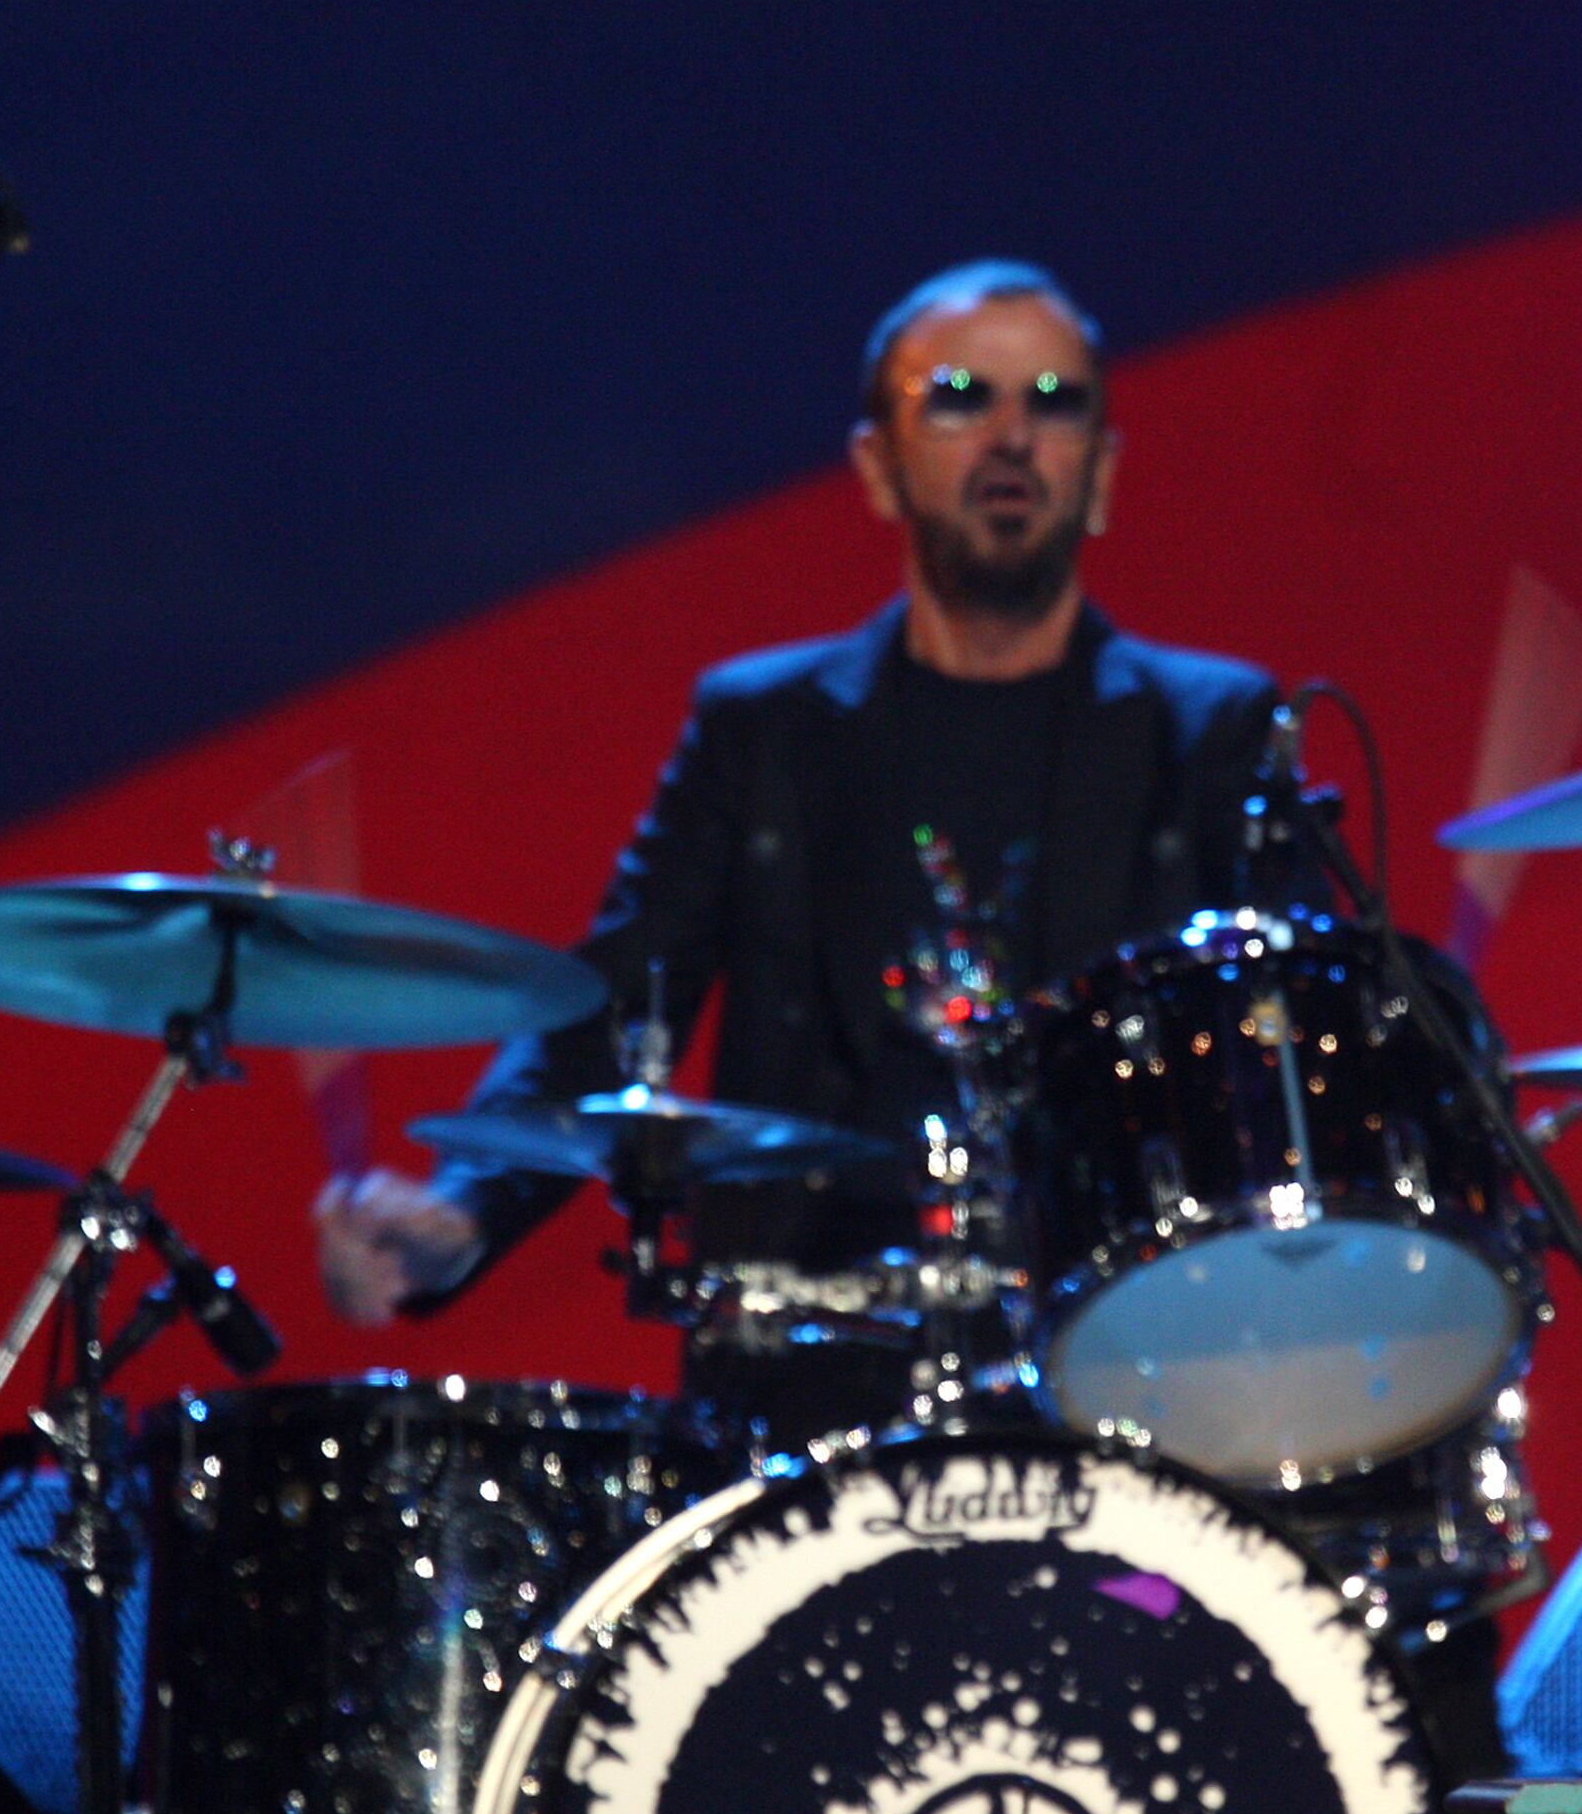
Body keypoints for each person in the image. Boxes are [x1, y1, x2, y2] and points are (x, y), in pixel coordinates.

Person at [314, 259, 1288, 1412]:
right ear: (877, 465)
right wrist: (464, 1206)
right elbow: (611, 1006)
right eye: (965, 396)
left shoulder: (1209, 731)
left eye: (1057, 402)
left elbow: (1286, 1042)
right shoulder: (763, 730)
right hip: (807, 1363)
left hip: (1115, 1353)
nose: (1014, 438)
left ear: (1106, 472)